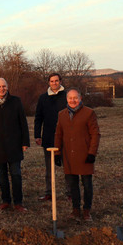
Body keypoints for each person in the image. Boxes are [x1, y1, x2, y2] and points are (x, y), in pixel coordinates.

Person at [0, 78, 30, 213]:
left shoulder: (16, 101)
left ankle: (18, 202)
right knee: (2, 175)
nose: (1, 89)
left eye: (3, 86)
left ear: (7, 87)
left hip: (14, 145)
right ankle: (6, 201)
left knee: (16, 174)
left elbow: (23, 123)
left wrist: (25, 142)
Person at [54, 88, 100, 222]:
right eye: (70, 98)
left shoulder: (89, 113)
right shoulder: (61, 114)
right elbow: (58, 135)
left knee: (86, 184)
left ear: (80, 99)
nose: (73, 100)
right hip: (68, 155)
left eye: (75, 98)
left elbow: (95, 134)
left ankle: (86, 211)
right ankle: (75, 210)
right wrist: (57, 153)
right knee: (72, 184)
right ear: (66, 99)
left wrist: (92, 153)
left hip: (85, 155)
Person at [34, 73, 68, 201]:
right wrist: (37, 135)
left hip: (65, 138)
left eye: (56, 81)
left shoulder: (67, 96)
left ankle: (70, 193)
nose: (54, 83)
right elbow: (38, 117)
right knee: (49, 169)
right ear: (48, 82)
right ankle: (49, 193)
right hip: (48, 138)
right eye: (52, 81)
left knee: (68, 167)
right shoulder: (43, 98)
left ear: (60, 81)